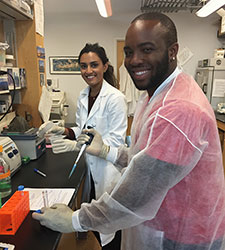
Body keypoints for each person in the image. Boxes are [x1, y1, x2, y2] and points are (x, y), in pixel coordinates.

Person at [33, 13, 225, 250]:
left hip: (181, 234)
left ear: (172, 51)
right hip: (161, 221)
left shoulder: (177, 110)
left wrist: (74, 220)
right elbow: (144, 157)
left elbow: (138, 194)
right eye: (129, 52)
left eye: (147, 49)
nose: (134, 60)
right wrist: (105, 151)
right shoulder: (154, 96)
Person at [38, 43, 127, 249]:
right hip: (91, 169)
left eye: (94, 65)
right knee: (97, 222)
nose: (88, 71)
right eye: (83, 66)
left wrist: (76, 147)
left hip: (108, 172)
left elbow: (115, 143)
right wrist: (64, 130)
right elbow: (84, 128)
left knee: (110, 228)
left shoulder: (115, 98)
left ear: (105, 66)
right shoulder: (83, 95)